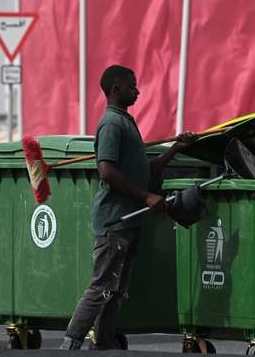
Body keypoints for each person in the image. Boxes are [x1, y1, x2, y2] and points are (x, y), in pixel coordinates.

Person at [60, 64, 196, 350]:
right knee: (101, 287)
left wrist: (176, 147)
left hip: (130, 221)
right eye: (132, 86)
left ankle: (105, 344)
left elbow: (147, 169)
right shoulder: (111, 123)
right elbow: (107, 171)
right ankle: (69, 346)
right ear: (116, 88)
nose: (137, 91)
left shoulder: (127, 122)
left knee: (116, 290)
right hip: (115, 221)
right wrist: (146, 197)